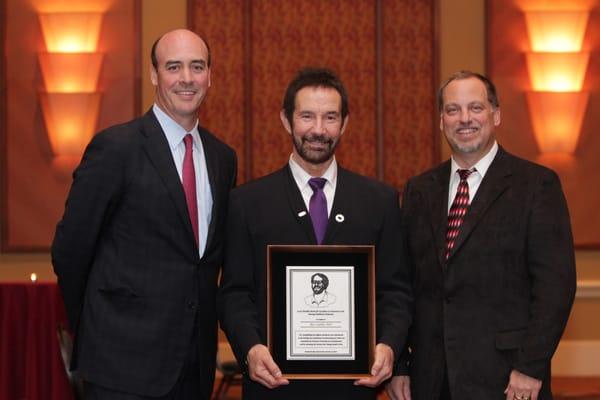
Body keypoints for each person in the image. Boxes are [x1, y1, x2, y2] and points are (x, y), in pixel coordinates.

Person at [51, 29, 237, 399]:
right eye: (174, 67)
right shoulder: (115, 149)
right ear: (154, 75)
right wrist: (97, 328)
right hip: (121, 366)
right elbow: (70, 252)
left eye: (197, 66)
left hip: (195, 366)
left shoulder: (222, 158)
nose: (186, 78)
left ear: (210, 75)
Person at [217, 67, 412, 399]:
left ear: (345, 123)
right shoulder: (247, 203)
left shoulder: (379, 201)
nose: (318, 130)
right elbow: (234, 294)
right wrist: (250, 348)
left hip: (354, 389)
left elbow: (396, 291)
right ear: (286, 120)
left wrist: (389, 345)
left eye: (330, 117)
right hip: (274, 387)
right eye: (307, 116)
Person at [386, 71, 576, 400]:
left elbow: (555, 287)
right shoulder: (419, 190)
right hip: (431, 379)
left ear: (496, 115)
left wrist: (530, 367)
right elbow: (403, 283)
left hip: (509, 380)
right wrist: (401, 365)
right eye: (453, 110)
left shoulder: (536, 186)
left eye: (475, 108)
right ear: (441, 120)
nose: (464, 119)